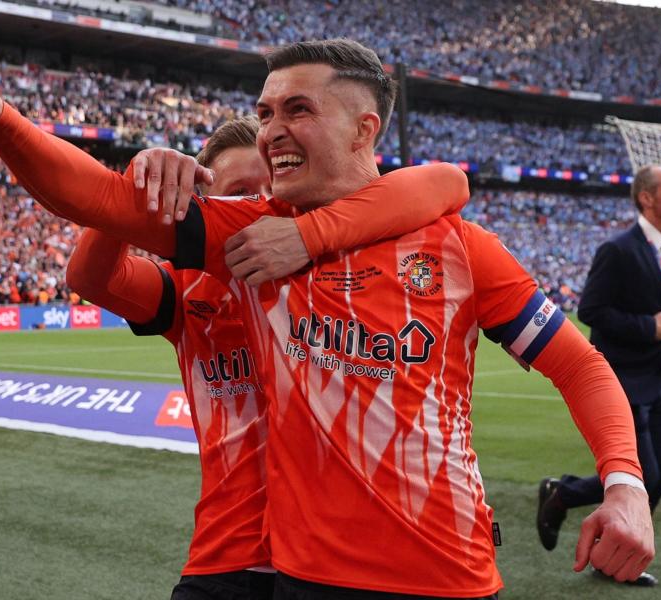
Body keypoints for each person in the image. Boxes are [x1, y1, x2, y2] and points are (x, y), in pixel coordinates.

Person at [0, 39, 652, 597]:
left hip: (450, 574)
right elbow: (99, 201)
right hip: (302, 579)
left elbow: (579, 363)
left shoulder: (457, 246)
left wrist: (622, 482)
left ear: (365, 130)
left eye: (298, 109)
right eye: (265, 112)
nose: (271, 130)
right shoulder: (248, 235)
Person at [68, 117, 470, 599]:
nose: (260, 206)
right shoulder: (185, 289)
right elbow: (90, 279)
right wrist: (140, 183)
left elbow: (445, 182)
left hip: (335, 560)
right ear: (205, 206)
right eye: (239, 192)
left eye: (269, 189)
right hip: (230, 555)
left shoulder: (333, 272)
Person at [536, 164, 661, 587]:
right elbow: (591, 311)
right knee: (645, 474)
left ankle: (606, 544)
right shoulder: (618, 249)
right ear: (646, 198)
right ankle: (570, 505)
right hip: (625, 380)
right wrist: (647, 327)